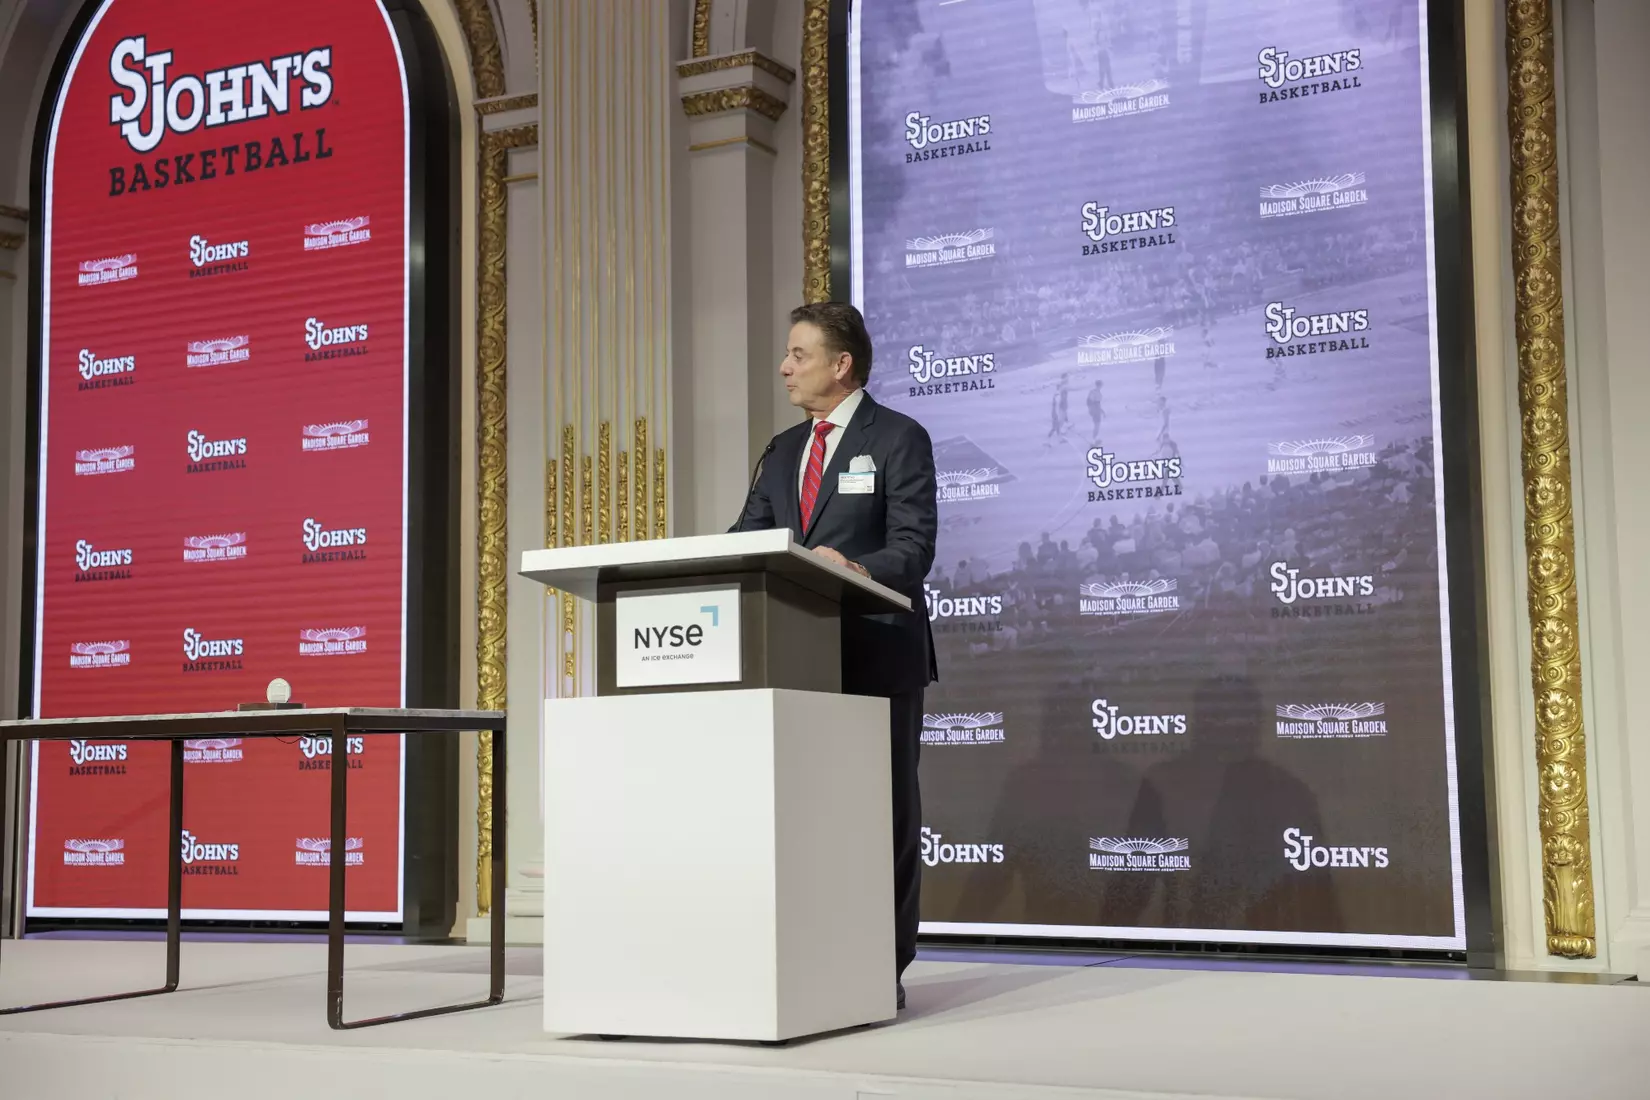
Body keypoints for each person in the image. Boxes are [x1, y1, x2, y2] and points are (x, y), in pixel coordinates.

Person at [730, 301, 938, 1011]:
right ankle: (814, 956)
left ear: (840, 365)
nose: (784, 368)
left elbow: (913, 550)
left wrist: (848, 564)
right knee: (808, 818)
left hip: (878, 652)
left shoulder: (899, 439)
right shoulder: (784, 450)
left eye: (798, 354)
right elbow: (745, 540)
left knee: (885, 817)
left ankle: (884, 968)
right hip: (795, 658)